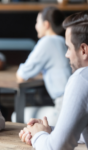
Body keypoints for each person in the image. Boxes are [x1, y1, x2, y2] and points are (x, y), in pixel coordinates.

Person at [19, 11, 88, 150]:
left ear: (84, 50)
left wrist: (38, 135)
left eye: (68, 48)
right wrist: (46, 131)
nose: (66, 55)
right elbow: (80, 132)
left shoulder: (82, 78)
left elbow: (56, 147)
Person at [13, 7, 71, 125]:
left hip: (63, 110)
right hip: (73, 104)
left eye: (37, 22)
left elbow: (22, 75)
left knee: (16, 115)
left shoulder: (47, 42)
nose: (35, 26)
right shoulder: (62, 40)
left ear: (46, 24)